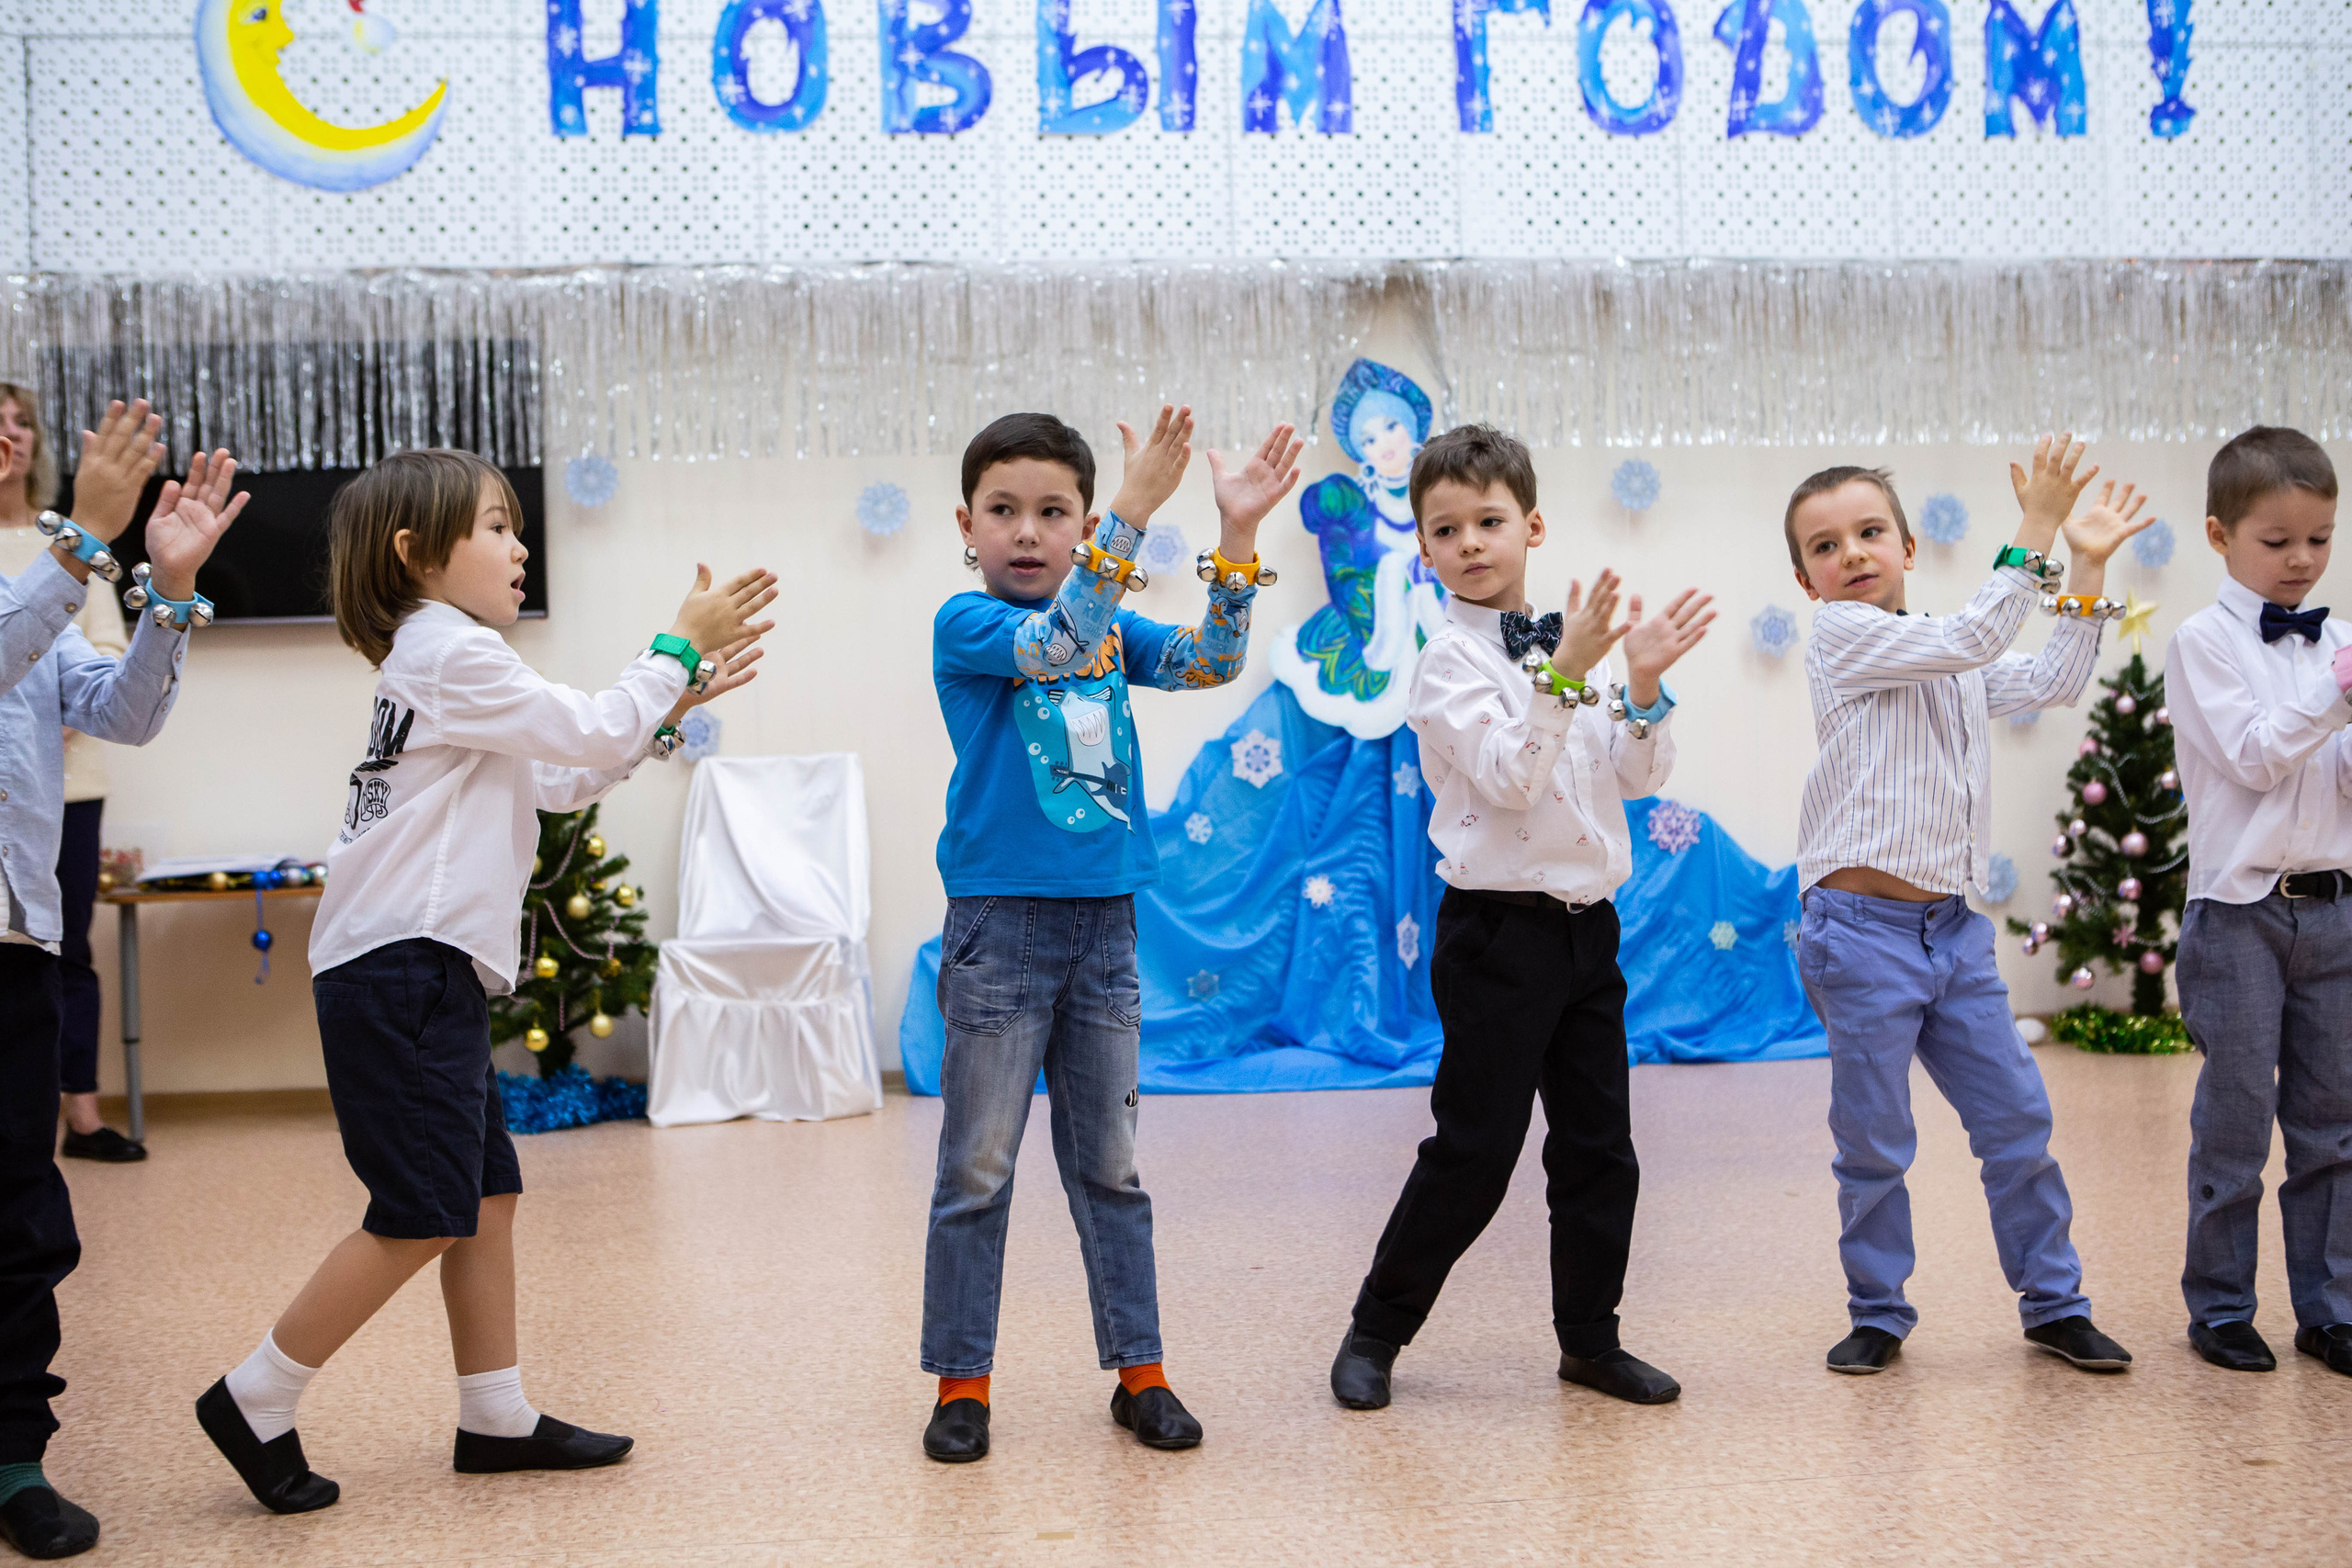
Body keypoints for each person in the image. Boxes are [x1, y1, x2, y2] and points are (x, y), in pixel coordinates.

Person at [195, 450, 775, 1516]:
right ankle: (255, 1396)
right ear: (417, 555)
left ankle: (495, 1415)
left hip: (420, 970)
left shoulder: (448, 660)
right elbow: (591, 729)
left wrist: (669, 697)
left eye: (518, 527)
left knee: (484, 1197)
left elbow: (562, 773)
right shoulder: (446, 650)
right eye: (498, 529)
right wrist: (671, 644)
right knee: (420, 1212)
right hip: (401, 969)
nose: (521, 549)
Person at [921, 408, 1303, 1464]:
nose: (1030, 533)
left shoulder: (1107, 630)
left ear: (1079, 518)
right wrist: (1132, 513)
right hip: (999, 928)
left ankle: (1141, 1375)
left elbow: (1212, 662)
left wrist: (1234, 538)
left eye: (1055, 512)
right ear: (969, 524)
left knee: (1113, 1171)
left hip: (1105, 929)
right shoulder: (971, 623)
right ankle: (962, 1384)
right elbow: (1054, 645)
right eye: (1006, 512)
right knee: (979, 1168)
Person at [1328, 423, 1713, 1413]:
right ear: (1423, 549)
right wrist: (1566, 672)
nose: (1469, 542)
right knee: (1474, 1152)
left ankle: (1589, 1340)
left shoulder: (1568, 646)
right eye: (1445, 528)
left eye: (1488, 521)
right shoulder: (1446, 664)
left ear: (1530, 525)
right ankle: (1376, 1329)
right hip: (1496, 936)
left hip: (1589, 931)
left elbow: (1632, 774)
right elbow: (1507, 780)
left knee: (1599, 1150)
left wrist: (1638, 683)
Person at [1787, 437, 2149, 1376]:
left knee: (2017, 1124)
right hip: (1857, 936)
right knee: (1873, 1141)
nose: (1852, 553)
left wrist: (2088, 563)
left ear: (1908, 548)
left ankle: (2053, 1303)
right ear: (1805, 580)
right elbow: (1977, 637)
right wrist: (2033, 527)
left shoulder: (1947, 651)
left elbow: (2052, 680)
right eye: (1826, 547)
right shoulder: (1841, 637)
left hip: (1951, 935)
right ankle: (1878, 1311)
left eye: (1870, 532)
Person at [0, 400, 246, 1560]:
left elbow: (122, 715)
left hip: (14, 946)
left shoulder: (50, 579)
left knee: (18, 1218)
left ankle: (14, 1461)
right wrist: (83, 547)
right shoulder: (50, 571)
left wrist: (170, 596)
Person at [2165, 426, 2352, 1377]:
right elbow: (2252, 756)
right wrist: (2332, 693)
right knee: (2234, 1121)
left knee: (2333, 1126)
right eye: (2276, 541)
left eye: (2318, 538)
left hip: (2335, 913)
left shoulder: (2340, 645)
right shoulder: (2202, 643)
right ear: (2218, 535)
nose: (2301, 560)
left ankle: (2330, 1309)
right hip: (2236, 917)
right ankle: (2223, 1307)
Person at [0, 386, 141, 1162]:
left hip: (68, 782)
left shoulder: (69, 537)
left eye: (21, 423)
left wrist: (53, 701)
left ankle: (78, 1115)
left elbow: (107, 658)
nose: (10, 438)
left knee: (63, 947)